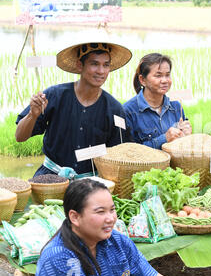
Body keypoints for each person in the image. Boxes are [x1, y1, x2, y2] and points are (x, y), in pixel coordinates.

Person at [35, 178, 187, 276]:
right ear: (75, 217)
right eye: (100, 212)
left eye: (112, 210)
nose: (111, 218)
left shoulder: (118, 242)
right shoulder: (60, 258)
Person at [15, 42, 132, 179]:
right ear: (79, 65)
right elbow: (20, 137)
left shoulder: (115, 109)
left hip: (91, 181)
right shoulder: (54, 96)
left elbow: (120, 154)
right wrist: (32, 115)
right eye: (94, 64)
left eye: (106, 65)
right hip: (51, 176)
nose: (101, 71)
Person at [123, 53, 192, 149]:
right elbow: (128, 151)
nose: (164, 80)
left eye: (167, 75)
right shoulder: (128, 111)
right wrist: (164, 139)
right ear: (142, 80)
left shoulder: (176, 107)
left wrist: (187, 137)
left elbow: (182, 147)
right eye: (158, 75)